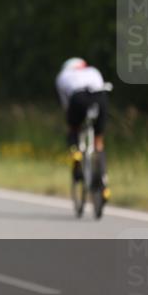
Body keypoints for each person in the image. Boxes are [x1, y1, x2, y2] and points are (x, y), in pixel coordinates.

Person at [55, 57, 110, 201]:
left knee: (73, 127)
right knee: (99, 139)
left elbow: (66, 104)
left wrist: (72, 119)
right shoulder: (93, 70)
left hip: (78, 98)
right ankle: (104, 186)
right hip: (100, 97)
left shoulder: (62, 76)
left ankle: (76, 151)